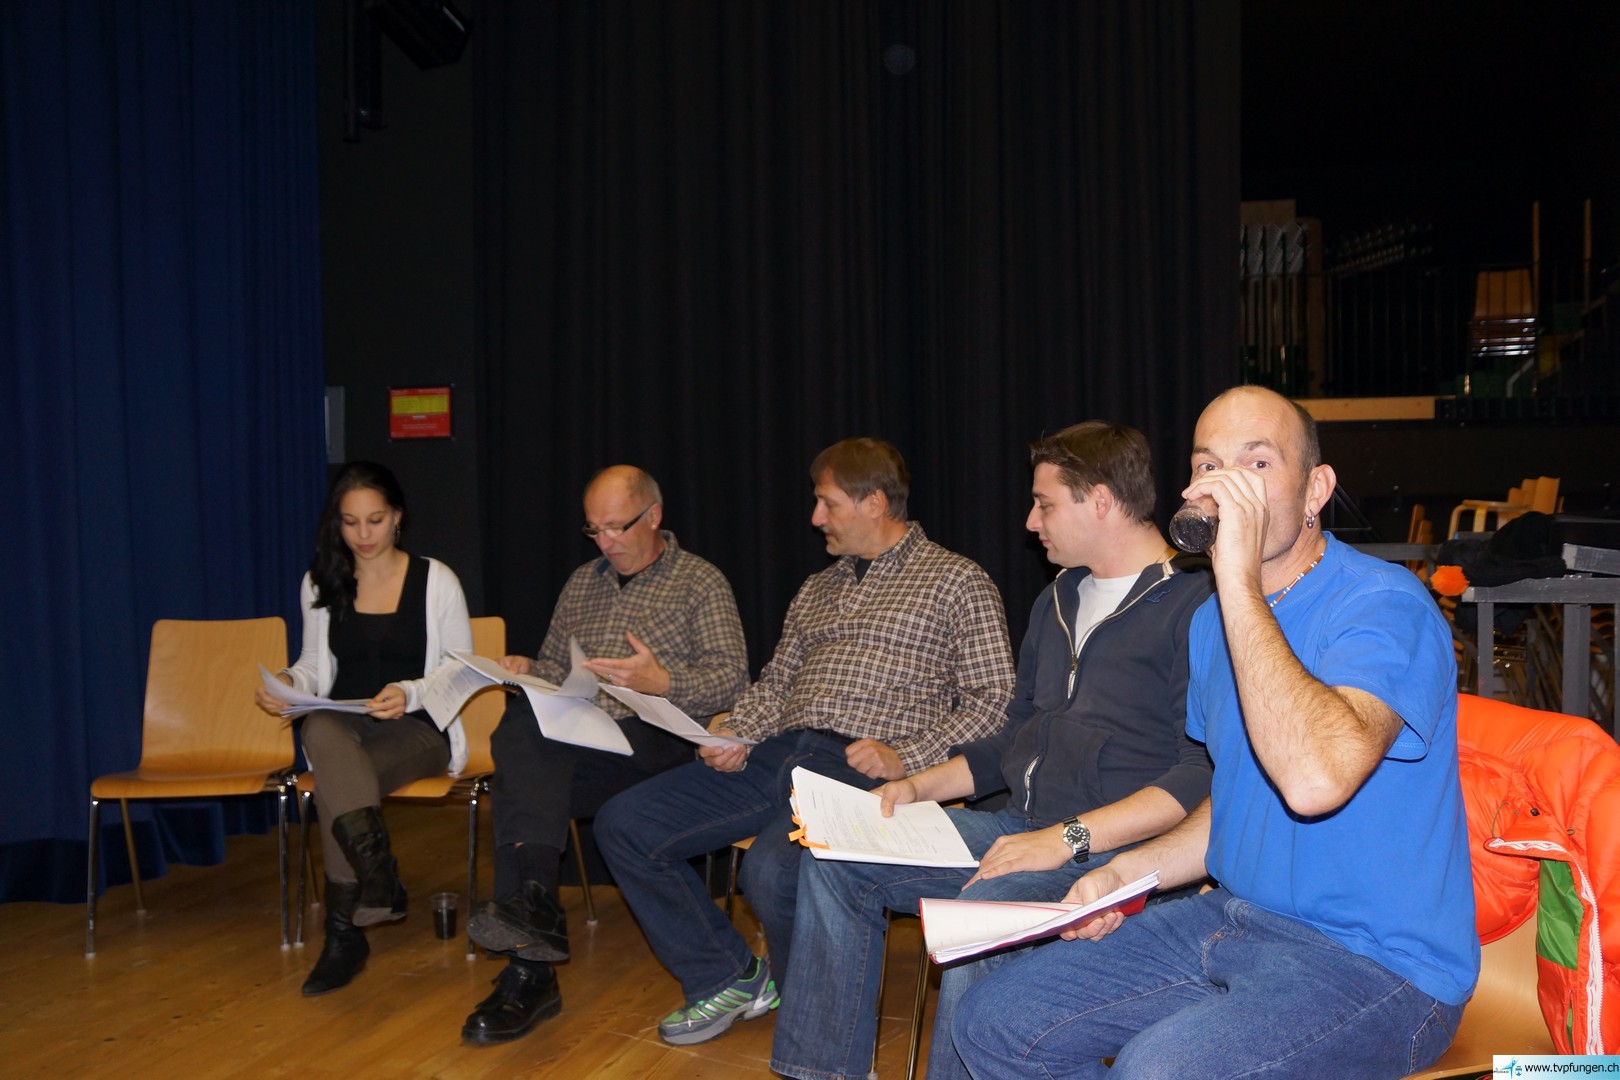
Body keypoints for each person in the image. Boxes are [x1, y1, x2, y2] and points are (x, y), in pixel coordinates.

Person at [953, 386, 1479, 1080]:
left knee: (1158, 1070)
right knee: (996, 1020)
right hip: (1237, 917)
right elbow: (1234, 802)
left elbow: (1314, 781)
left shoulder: (1382, 604)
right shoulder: (1212, 622)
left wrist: (1236, 580)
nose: (1227, 486)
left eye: (1256, 464)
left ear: (1316, 490)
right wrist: (1123, 872)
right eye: (1208, 466)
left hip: (1376, 965)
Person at [771, 421, 1214, 1080]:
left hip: (1118, 854)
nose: (1031, 522)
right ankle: (825, 1071)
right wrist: (917, 786)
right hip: (1020, 830)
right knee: (838, 859)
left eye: (1044, 504)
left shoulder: (1196, 603)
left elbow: (1199, 775)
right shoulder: (1058, 597)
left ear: (1099, 500)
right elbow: (1015, 734)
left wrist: (1063, 839)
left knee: (984, 910)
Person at [595, 437, 1016, 1047]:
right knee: (624, 824)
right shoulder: (817, 588)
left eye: (828, 503)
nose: (815, 517)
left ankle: (816, 1033)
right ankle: (728, 976)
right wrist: (733, 730)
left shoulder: (956, 580)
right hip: (779, 752)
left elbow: (994, 700)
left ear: (874, 502)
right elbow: (775, 686)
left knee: (771, 872)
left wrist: (908, 756)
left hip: (862, 768)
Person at [460, 465, 749, 1046]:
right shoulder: (581, 583)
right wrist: (527, 670)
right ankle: (534, 920)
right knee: (522, 733)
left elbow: (733, 679)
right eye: (594, 530)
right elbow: (554, 667)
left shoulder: (699, 581)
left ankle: (529, 969)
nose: (606, 542)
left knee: (523, 784)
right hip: (584, 739)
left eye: (617, 527)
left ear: (654, 516)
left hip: (660, 742)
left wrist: (662, 680)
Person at [254, 461, 474, 997]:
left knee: (335, 778)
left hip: (418, 729)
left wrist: (410, 692)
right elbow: (313, 664)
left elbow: (461, 670)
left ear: (397, 517)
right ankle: (376, 878)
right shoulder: (320, 581)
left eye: (375, 520)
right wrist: (289, 681)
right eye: (350, 523)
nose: (363, 535)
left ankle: (344, 935)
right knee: (320, 728)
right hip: (345, 726)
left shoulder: (436, 580)